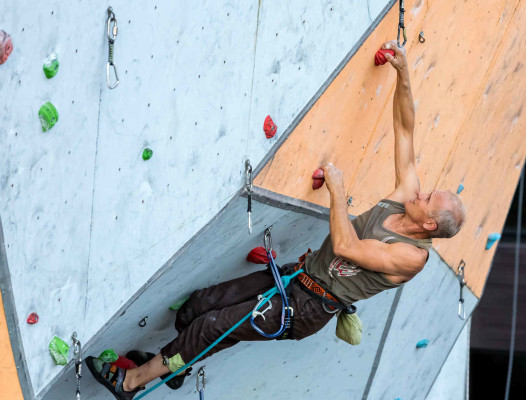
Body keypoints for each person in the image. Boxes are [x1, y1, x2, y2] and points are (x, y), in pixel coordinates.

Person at [86, 40, 466, 399]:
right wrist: (404, 74)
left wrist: (337, 188)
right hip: (294, 276)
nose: (420, 192)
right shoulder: (404, 202)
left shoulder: (411, 257)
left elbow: (346, 246)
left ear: (429, 225)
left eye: (428, 199)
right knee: (200, 306)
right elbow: (405, 128)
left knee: (211, 326)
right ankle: (176, 363)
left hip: (306, 309)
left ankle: (134, 381)